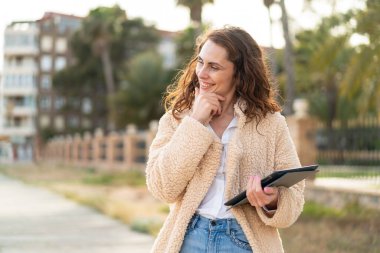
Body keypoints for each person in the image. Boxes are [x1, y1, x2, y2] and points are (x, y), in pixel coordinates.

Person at [146, 26, 304, 253]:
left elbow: (295, 197)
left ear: (239, 73)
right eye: (200, 62)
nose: (201, 73)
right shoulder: (178, 118)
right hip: (188, 238)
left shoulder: (270, 123)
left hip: (245, 242)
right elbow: (162, 187)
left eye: (214, 67)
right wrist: (196, 122)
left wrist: (272, 200)